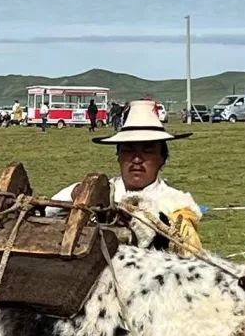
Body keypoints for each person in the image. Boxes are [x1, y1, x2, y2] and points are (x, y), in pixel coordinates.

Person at [48, 100, 202, 256]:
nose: (136, 159)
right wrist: (80, 195)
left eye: (147, 151)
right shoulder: (98, 191)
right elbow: (47, 211)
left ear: (162, 159)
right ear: (119, 157)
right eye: (128, 150)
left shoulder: (176, 206)